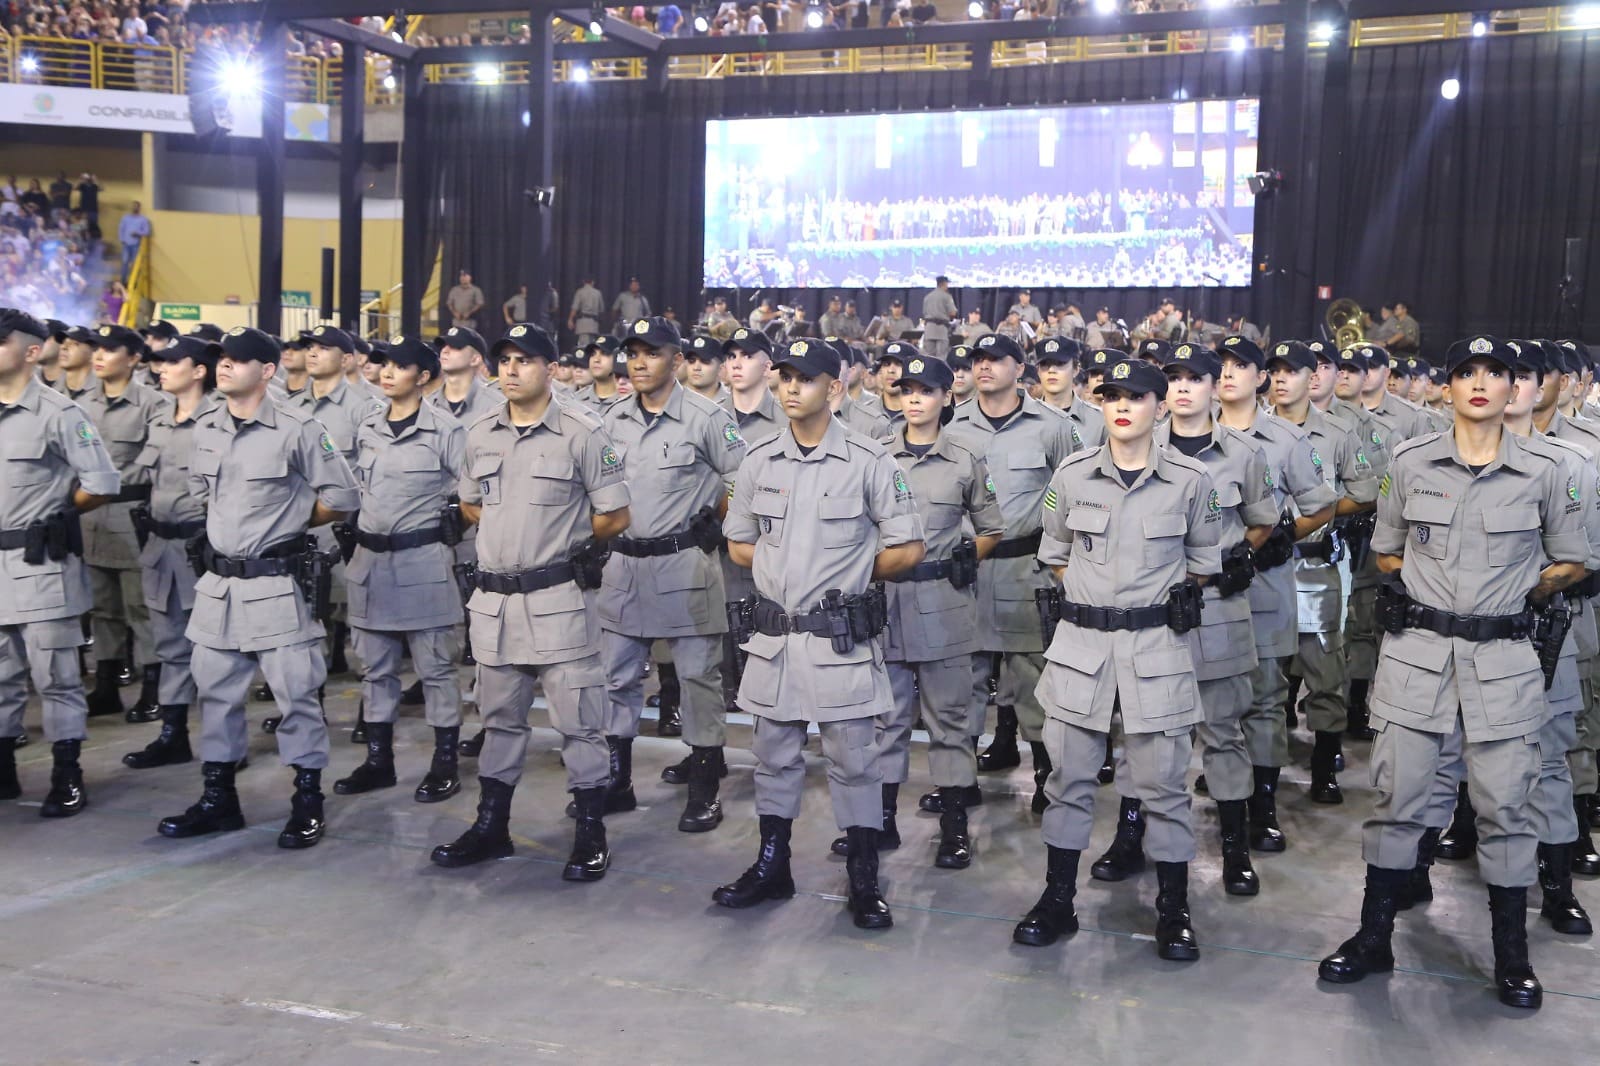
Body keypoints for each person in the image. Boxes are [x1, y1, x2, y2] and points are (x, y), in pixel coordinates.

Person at [1317, 335, 1586, 1010]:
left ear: (1513, 389)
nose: (1480, 384)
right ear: (1448, 387)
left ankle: (1511, 955)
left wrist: (1522, 595)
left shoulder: (1548, 469)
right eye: (1467, 372)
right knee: (1397, 801)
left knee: (1506, 809)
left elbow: (1572, 558)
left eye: (1495, 374)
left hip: (1503, 661)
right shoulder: (1411, 463)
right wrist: (1432, 595)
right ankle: (1373, 938)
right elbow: (1386, 551)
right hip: (1419, 657)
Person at [712, 337, 925, 928]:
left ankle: (863, 875)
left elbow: (908, 547)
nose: (790, 388)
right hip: (776, 638)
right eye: (784, 377)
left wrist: (848, 576)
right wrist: (782, 571)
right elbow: (738, 541)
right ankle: (772, 865)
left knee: (854, 762)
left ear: (834, 388)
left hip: (838, 638)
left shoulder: (869, 460)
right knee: (773, 758)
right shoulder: (759, 460)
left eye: (804, 379)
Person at [1015, 357, 1221, 956]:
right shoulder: (1074, 475)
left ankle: (1174, 909)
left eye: (1135, 396)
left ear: (1161, 405)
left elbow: (1202, 564)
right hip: (1081, 649)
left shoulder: (1190, 480)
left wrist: (1141, 607)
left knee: (1165, 788)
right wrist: (1098, 604)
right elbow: (1057, 553)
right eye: (1111, 397)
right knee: (1068, 781)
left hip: (1156, 650)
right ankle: (1058, 900)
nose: (1122, 406)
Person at [429, 322, 631, 882]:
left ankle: (590, 832)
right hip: (495, 604)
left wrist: (558, 540)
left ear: (550, 368)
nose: (512, 370)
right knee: (499, 722)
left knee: (580, 724)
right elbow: (471, 503)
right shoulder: (481, 433)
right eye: (505, 361)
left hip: (558, 600)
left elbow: (615, 514)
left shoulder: (581, 433)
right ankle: (491, 826)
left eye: (524, 360)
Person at [156, 327, 360, 848]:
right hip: (219, 586)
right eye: (221, 358)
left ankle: (307, 801)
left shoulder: (298, 428)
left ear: (267, 370)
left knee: (296, 699)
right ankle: (219, 800)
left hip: (275, 586)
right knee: (216, 698)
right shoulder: (206, 426)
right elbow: (204, 495)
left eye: (239, 359)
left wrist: (289, 519)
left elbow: (342, 496)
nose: (225, 365)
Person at [1091, 344, 1275, 898]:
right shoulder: (1135, 448)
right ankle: (1130, 836)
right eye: (1174, 379)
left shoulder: (1242, 453)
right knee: (1141, 730)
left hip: (1216, 610)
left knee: (1223, 733)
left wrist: (1233, 555)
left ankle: (1235, 848)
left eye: (1196, 378)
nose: (1184, 388)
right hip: (1151, 619)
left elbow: (1262, 519)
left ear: (1215, 387)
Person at [594, 316, 747, 831]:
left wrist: (721, 520)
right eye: (633, 353)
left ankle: (704, 788)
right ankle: (616, 781)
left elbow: (745, 481)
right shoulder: (611, 419)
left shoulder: (707, 418)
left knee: (698, 680)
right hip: (623, 566)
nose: (639, 363)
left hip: (685, 564)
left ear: (676, 360)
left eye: (652, 353)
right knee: (615, 678)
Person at [866, 353, 1004, 867]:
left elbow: (992, 526)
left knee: (950, 721)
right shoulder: (875, 455)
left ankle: (954, 826)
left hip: (944, 604)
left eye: (926, 391)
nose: (914, 400)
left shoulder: (965, 459)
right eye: (908, 391)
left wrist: (970, 556)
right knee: (886, 720)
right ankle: (878, 822)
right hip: (885, 602)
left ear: (947, 397)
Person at [333, 336, 468, 803]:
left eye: (399, 366)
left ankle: (444, 763)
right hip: (370, 565)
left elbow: (475, 494)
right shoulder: (367, 425)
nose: (387, 372)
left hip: (423, 563)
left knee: (437, 670)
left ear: (423, 377)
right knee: (375, 671)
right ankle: (379, 762)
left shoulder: (446, 431)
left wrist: (457, 525)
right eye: (384, 364)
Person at [1214, 336, 1337, 851]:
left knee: (1264, 698)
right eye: (1221, 365)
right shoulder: (1185, 435)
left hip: (1262, 585)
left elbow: (1323, 503)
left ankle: (1262, 807)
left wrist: (1284, 533)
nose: (1228, 374)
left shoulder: (1285, 440)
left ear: (1259, 378)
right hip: (1200, 592)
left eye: (1240, 365)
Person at [947, 333, 1078, 811]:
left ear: (1019, 368)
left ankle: (1046, 778)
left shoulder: (1053, 426)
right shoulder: (952, 423)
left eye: (995, 359)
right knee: (961, 681)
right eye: (978, 359)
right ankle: (958, 785)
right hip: (966, 572)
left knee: (1033, 681)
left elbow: (1076, 491)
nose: (983, 367)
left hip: (1027, 571)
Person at [0, 308, 121, 815]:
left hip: (40, 565)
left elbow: (103, 482)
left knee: (56, 677)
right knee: (1, 677)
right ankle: (4, 771)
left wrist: (55, 515)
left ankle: (67, 773)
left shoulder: (58, 413)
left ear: (31, 351)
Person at [1269, 341, 1380, 805]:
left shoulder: (1337, 433)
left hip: (1316, 564)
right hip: (1264, 569)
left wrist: (1317, 514)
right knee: (1263, 674)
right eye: (1275, 370)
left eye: (1294, 370)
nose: (1282, 378)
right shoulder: (1250, 431)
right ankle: (1259, 773)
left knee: (1325, 668)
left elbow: (1367, 491)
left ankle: (1323, 763)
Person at [121, 336, 221, 770]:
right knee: (169, 646)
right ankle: (173, 733)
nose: (161, 369)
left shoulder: (219, 420)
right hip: (160, 546)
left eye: (172, 362)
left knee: (215, 651)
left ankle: (223, 742)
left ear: (198, 370)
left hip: (201, 548)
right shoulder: (161, 417)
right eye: (160, 362)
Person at [79, 324, 167, 727]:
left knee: (142, 607)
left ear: (133, 358)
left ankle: (154, 688)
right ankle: (107, 687)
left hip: (132, 515)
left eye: (110, 349)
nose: (99, 356)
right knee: (102, 608)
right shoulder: (81, 404)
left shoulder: (153, 404)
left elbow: (161, 461)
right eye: (96, 348)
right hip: (91, 518)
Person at [428, 326, 502, 423]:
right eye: (443, 346)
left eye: (455, 346)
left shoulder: (497, 405)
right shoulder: (426, 404)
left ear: (475, 359)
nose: (444, 351)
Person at [573, 337, 624, 411]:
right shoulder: (576, 400)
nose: (596, 359)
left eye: (604, 353)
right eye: (593, 354)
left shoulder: (628, 401)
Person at [921, 275, 958, 361]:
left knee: (928, 357)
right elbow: (953, 312)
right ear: (944, 284)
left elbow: (924, 313)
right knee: (942, 356)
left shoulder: (927, 297)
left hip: (929, 329)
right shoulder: (947, 296)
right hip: (941, 329)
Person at [683, 334, 728, 403]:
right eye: (691, 361)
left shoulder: (733, 402)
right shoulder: (673, 400)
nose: (696, 367)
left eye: (705, 361)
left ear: (720, 369)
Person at [118, 201, 151, 283]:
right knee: (124, 262)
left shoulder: (143, 219)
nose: (134, 208)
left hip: (136, 244)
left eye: (136, 206)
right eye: (133, 206)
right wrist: (122, 239)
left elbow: (147, 231)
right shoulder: (125, 218)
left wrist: (138, 233)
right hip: (126, 244)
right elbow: (121, 229)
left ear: (139, 208)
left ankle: (133, 281)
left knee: (134, 264)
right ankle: (123, 281)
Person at [568, 275, 605, 345]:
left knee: (584, 346)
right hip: (594, 323)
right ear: (593, 282)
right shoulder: (598, 293)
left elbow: (575, 307)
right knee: (592, 345)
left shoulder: (580, 292)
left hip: (583, 323)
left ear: (583, 282)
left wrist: (570, 319)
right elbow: (601, 310)